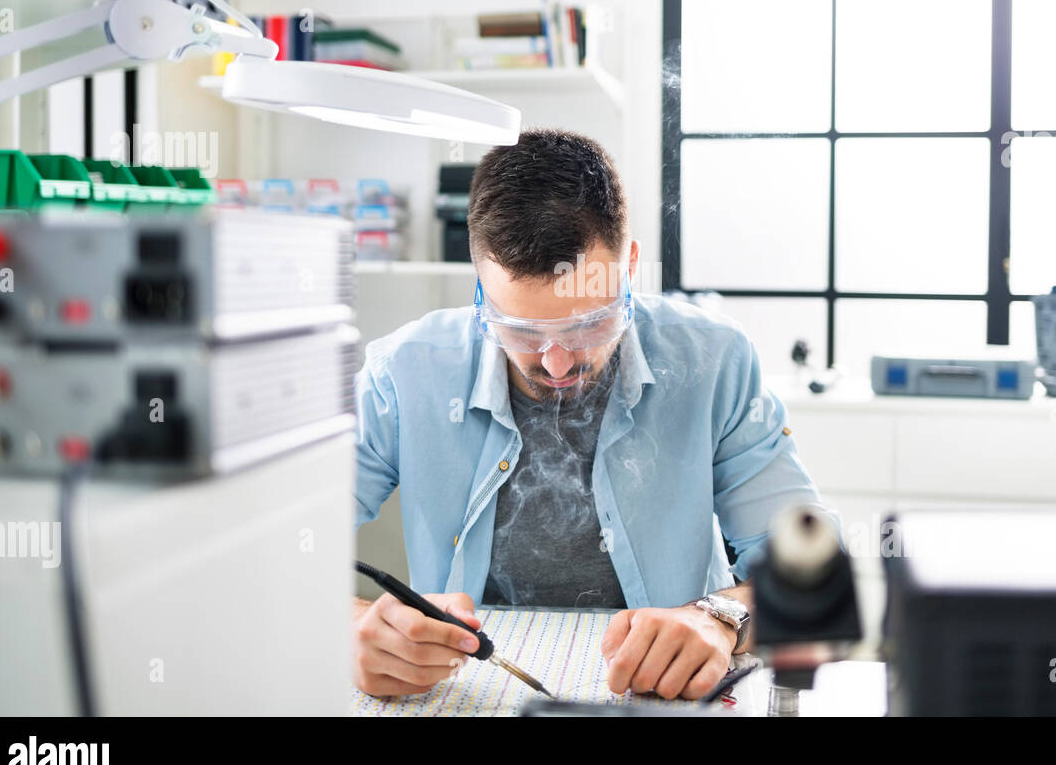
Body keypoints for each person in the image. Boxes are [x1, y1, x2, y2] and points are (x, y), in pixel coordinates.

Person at [351, 127, 827, 701]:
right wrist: (350, 628)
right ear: (479, 288)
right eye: (520, 331)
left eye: (587, 324)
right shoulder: (405, 374)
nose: (555, 363)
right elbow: (278, 551)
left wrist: (720, 617)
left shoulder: (713, 361)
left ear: (629, 265)